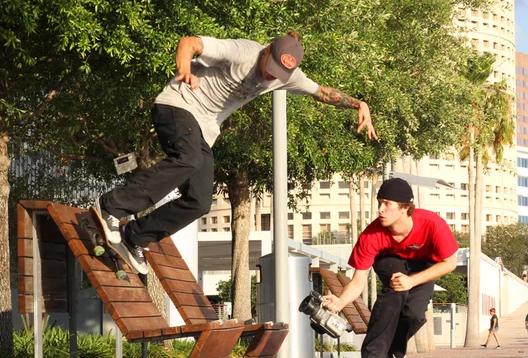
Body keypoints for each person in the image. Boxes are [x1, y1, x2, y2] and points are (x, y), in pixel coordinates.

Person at [93, 32, 378, 274]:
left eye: (278, 75)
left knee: (199, 202)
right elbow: (189, 42)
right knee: (188, 160)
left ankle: (135, 236)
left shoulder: (287, 77)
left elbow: (322, 93)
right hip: (177, 106)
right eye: (271, 67)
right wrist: (185, 69)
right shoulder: (243, 51)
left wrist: (358, 104)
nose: (270, 77)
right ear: (267, 51)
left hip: (203, 129)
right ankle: (111, 206)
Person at [321, 178, 458, 358]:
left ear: (404, 208)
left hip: (424, 265)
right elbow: (358, 280)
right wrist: (340, 302)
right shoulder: (372, 235)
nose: (380, 210)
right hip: (389, 260)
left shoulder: (432, 224)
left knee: (415, 314)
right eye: (379, 203)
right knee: (395, 294)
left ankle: (386, 355)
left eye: (387, 204)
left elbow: (450, 263)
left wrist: (411, 280)